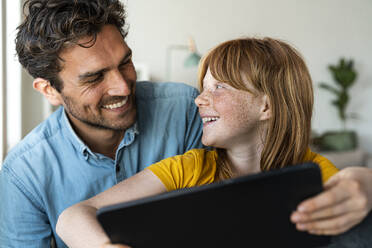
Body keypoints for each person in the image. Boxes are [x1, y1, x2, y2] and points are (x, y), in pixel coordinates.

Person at [56, 37, 372, 248]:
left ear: (266, 105)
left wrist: (363, 181)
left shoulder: (312, 173)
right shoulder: (190, 168)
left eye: (218, 87)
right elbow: (73, 216)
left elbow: (352, 191)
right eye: (203, 87)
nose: (199, 100)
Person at [0, 0, 203, 247]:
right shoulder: (24, 174)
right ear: (49, 90)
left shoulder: (187, 110)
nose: (123, 87)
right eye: (94, 77)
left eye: (125, 62)